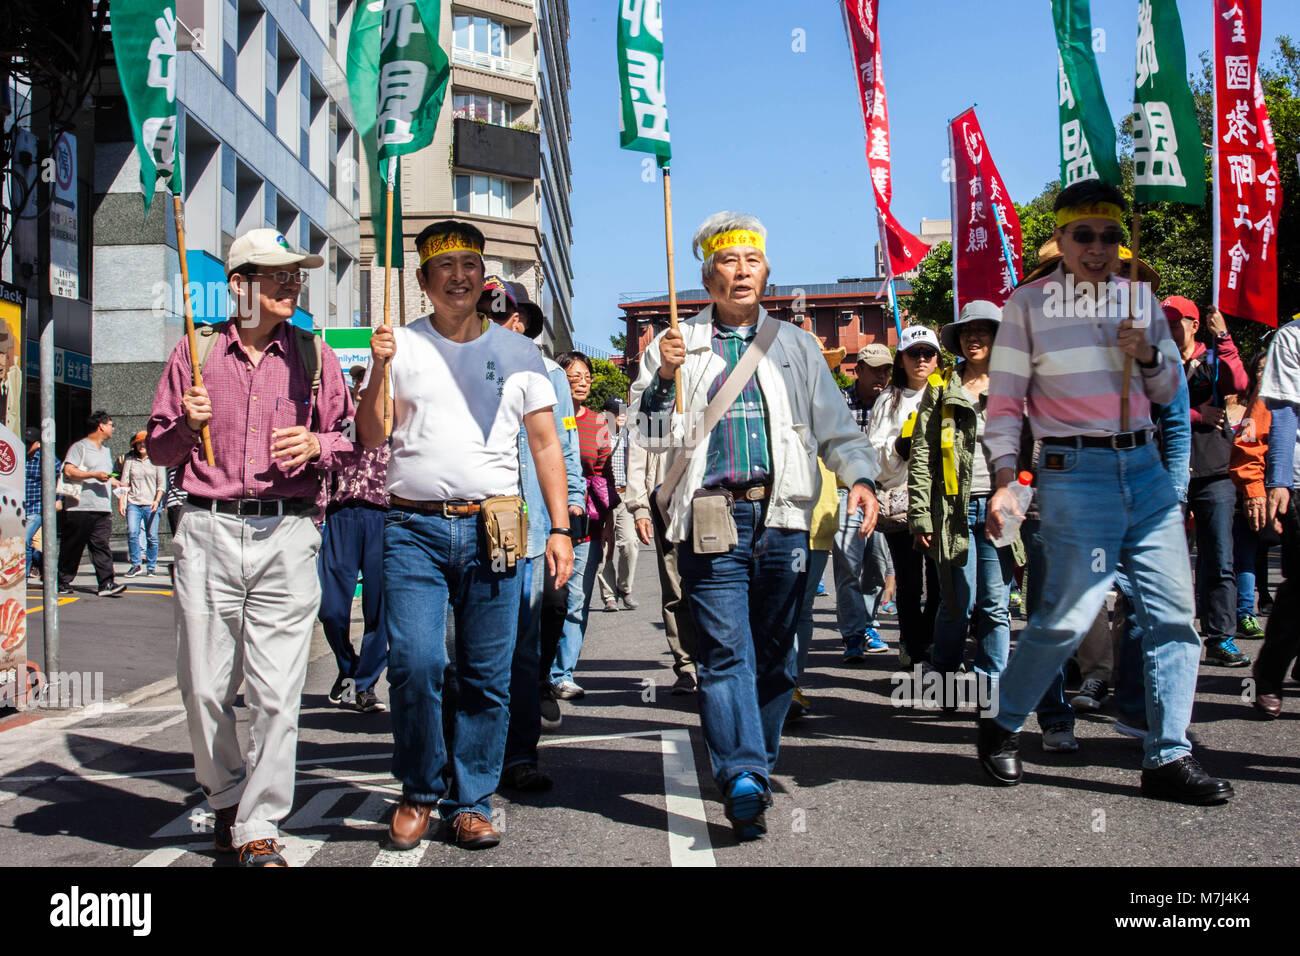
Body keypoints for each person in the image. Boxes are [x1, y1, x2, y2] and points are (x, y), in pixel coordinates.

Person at [980, 180, 1232, 804]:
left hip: (1143, 471)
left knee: (1174, 616)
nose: (1098, 247)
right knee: (1065, 620)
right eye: (1083, 235)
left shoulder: (1139, 301)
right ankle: (1003, 721)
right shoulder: (1027, 306)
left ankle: (1167, 754)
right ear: (1062, 239)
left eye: (1110, 236)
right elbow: (1006, 403)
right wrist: (1006, 480)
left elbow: (1173, 393)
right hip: (1074, 474)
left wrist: (1148, 355)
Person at [631, 211, 878, 841]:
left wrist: (860, 477)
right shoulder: (678, 344)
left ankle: (753, 764)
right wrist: (663, 377)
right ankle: (741, 773)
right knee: (724, 652)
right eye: (727, 262)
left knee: (776, 658)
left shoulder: (794, 344)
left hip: (785, 515)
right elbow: (651, 435)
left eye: (752, 261)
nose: (740, 273)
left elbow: (836, 427)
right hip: (711, 516)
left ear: (766, 271)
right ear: (706, 274)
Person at [356, 220, 574, 852]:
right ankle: (420, 790)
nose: (458, 276)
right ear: (423, 281)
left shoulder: (520, 355)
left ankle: (472, 800)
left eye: (469, 266)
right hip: (412, 528)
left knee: (486, 673)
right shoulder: (400, 347)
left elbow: (544, 444)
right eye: (444, 266)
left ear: (486, 280)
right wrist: (377, 369)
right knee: (417, 664)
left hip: (495, 526)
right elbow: (372, 437)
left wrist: (560, 526)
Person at [148, 227, 355, 866]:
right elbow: (157, 448)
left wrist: (318, 446)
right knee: (205, 687)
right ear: (240, 285)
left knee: (277, 693)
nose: (291, 283)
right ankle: (228, 794)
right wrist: (187, 424)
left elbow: (353, 439)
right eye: (275, 274)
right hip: (207, 529)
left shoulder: (315, 356)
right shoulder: (196, 350)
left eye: (296, 274)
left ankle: (260, 821)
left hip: (288, 532)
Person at [479, 276, 584, 788]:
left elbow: (562, 449)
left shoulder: (549, 375)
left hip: (533, 523)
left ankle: (520, 755)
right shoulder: (461, 364)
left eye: (506, 315)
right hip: (471, 520)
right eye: (489, 313)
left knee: (524, 643)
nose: (499, 322)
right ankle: (468, 757)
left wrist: (567, 518)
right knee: (466, 650)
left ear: (520, 321)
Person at [909, 301, 1028, 722]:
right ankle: (943, 677)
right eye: (966, 332)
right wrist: (920, 515)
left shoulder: (1017, 386)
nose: (974, 338)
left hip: (1005, 506)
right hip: (954, 509)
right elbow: (922, 453)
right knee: (958, 600)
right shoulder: (940, 389)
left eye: (984, 330)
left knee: (996, 605)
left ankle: (989, 687)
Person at [1165, 295, 1251, 667]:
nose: (1167, 328)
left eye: (1175, 321)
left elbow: (1240, 382)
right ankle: (1172, 634)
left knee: (1219, 557)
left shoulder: (1214, 357)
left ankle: (1220, 636)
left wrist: (1225, 338)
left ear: (1194, 323)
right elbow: (1147, 409)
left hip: (1213, 471)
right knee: (1170, 560)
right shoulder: (1156, 362)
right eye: (1162, 321)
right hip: (1169, 472)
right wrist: (1197, 415)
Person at [867, 326, 942, 669]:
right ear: (902, 359)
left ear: (938, 358)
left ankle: (929, 642)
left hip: (942, 501)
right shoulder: (890, 398)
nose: (921, 360)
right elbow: (872, 452)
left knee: (942, 584)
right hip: (903, 504)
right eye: (914, 353)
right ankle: (914, 648)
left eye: (928, 353)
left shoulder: (946, 394)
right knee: (910, 583)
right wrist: (898, 447)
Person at [545, 350, 617, 699]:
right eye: (574, 376)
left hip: (585, 522)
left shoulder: (597, 422)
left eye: (587, 376)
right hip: (545, 519)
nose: (583, 382)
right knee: (543, 600)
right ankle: (536, 668)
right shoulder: (544, 415)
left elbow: (604, 473)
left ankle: (562, 672)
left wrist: (607, 523)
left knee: (576, 599)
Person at [317, 409, 391, 715]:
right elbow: (323, 469)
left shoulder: (395, 426)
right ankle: (348, 666)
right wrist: (316, 517)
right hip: (341, 516)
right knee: (331, 609)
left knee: (380, 610)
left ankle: (364, 686)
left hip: (383, 518)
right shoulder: (342, 426)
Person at [626, 417, 699, 694]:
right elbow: (638, 452)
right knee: (675, 588)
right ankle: (687, 666)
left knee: (718, 585)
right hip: (665, 502)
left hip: (712, 498)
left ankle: (717, 663)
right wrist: (640, 507)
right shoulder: (659, 388)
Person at [1253, 318, 1300, 718]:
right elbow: (1283, 412)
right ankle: (1269, 673)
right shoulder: (1293, 336)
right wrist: (1279, 479)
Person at [835, 344, 893, 661]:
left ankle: (870, 623)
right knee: (847, 566)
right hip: (847, 494)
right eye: (876, 369)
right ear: (858, 370)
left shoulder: (893, 403)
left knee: (876, 569)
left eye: (887, 369)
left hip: (884, 494)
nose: (882, 376)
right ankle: (854, 635)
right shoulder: (840, 403)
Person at [58, 411, 126, 598]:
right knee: (73, 546)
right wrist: (93, 475)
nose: (113, 428)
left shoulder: (106, 451)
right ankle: (63, 581)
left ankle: (106, 583)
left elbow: (103, 476)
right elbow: (69, 471)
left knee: (101, 546)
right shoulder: (79, 447)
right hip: (80, 506)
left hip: (102, 507)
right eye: (111, 424)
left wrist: (116, 483)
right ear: (101, 426)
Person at [1228, 352, 1269, 640]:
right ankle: (1244, 613)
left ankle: (1264, 597)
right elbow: (1247, 446)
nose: (1263, 375)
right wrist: (1252, 489)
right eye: (1259, 370)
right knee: (1245, 554)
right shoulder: (1259, 402)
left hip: (1281, 490)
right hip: (1250, 489)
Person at [597, 398, 640, 612]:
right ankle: (609, 596)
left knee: (630, 544)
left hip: (625, 496)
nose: (621, 416)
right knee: (604, 549)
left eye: (623, 412)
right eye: (616, 413)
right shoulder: (598, 436)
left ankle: (625, 588)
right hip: (602, 498)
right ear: (606, 413)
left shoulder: (630, 435)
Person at [119, 431, 166, 577]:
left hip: (151, 503)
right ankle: (136, 564)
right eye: (138, 443)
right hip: (133, 502)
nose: (141, 445)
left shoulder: (157, 460)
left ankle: (151, 566)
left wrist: (157, 501)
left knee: (152, 536)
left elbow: (161, 485)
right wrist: (122, 501)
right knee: (133, 533)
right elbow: (124, 482)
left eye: (144, 442)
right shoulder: (130, 460)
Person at [24, 427, 41, 580]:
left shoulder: (45, 461)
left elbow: (60, 477)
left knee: (25, 540)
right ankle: (39, 563)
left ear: (38, 444)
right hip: (20, 506)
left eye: (30, 443)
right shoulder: (19, 457)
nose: (26, 445)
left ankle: (23, 577)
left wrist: (58, 499)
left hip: (36, 507)